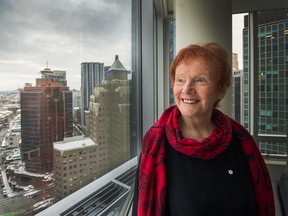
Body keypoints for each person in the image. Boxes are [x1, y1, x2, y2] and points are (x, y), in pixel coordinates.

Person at [132, 43, 275, 216]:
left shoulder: (241, 140)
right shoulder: (155, 146)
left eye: (199, 80)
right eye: (180, 80)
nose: (186, 89)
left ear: (220, 89)